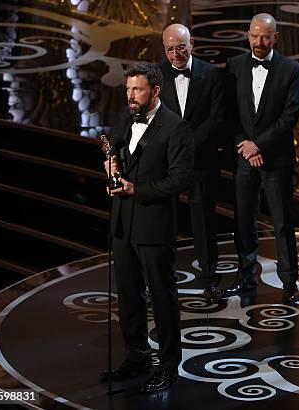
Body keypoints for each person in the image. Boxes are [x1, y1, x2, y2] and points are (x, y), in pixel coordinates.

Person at [101, 61, 193, 393]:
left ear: (155, 90)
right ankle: (137, 355)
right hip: (123, 222)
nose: (131, 96)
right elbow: (116, 153)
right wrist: (110, 167)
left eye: (137, 90)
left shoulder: (175, 127)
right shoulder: (126, 117)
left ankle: (169, 365)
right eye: (127, 89)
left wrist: (136, 189)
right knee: (128, 295)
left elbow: (180, 178)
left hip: (154, 225)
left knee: (162, 296)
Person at [224, 13, 299, 304]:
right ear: (248, 34)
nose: (259, 42)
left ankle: (289, 281)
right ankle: (245, 276)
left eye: (265, 37)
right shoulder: (234, 66)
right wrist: (244, 145)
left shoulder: (292, 69)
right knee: (244, 220)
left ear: (275, 38)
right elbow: (228, 114)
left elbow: (289, 117)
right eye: (255, 35)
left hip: (276, 158)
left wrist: (259, 145)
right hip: (244, 156)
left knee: (282, 222)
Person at [159, 24, 225, 304]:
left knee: (204, 224)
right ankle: (161, 283)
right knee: (163, 223)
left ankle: (210, 282)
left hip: (201, 160)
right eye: (170, 49)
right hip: (166, 162)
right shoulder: (157, 75)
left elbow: (217, 118)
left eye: (181, 47)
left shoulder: (212, 74)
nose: (176, 54)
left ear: (192, 43)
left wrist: (188, 145)